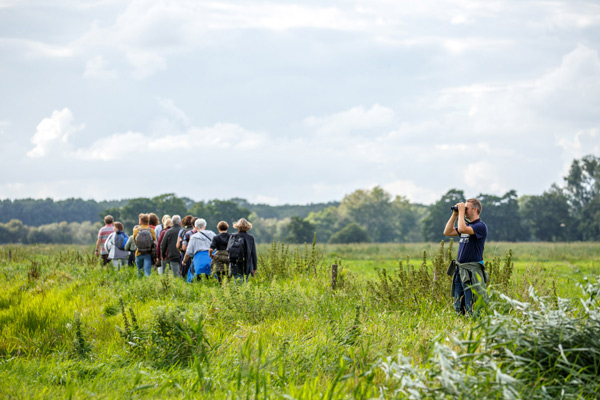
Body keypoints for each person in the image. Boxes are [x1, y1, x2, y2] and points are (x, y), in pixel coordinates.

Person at [443, 198, 488, 316]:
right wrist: (455, 214)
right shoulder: (466, 226)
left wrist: (461, 213)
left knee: (470, 305)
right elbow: (447, 232)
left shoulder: (480, 226)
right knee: (458, 305)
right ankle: (461, 325)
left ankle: (473, 326)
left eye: (466, 208)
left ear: (475, 209)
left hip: (471, 272)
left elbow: (463, 229)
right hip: (460, 271)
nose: (464, 210)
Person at [228, 218, 257, 284]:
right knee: (245, 283)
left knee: (237, 283)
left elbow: (228, 250)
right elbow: (253, 253)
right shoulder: (250, 238)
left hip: (235, 264)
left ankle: (237, 294)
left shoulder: (233, 236)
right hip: (247, 264)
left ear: (237, 226)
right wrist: (254, 267)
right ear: (248, 227)